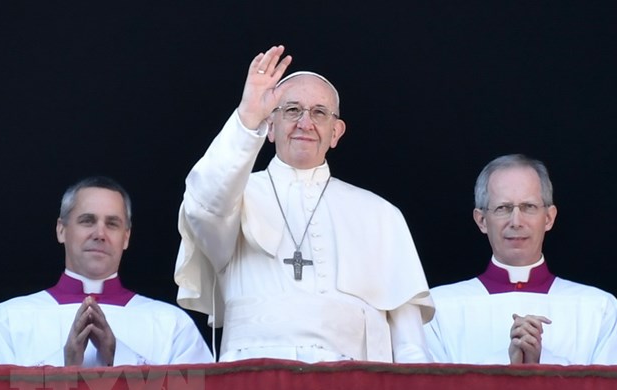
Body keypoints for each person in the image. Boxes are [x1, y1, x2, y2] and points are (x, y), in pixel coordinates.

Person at [173, 45, 434, 363]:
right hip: (251, 379)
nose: (304, 123)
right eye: (292, 110)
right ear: (270, 125)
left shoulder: (381, 214)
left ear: (336, 132)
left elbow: (410, 346)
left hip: (353, 388)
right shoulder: (235, 196)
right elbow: (203, 206)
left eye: (319, 113)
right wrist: (247, 117)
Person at [0, 176, 213, 367]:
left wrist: (117, 357)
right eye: (87, 221)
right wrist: (65, 365)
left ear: (126, 237)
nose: (100, 234)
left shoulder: (172, 324)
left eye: (112, 223)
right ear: (61, 230)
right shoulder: (8, 320)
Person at [425, 154, 617, 365]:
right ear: (481, 220)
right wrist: (511, 367)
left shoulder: (598, 308)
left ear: (548, 218)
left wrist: (540, 367)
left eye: (529, 207)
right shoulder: (438, 308)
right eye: (503, 208)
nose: (516, 222)